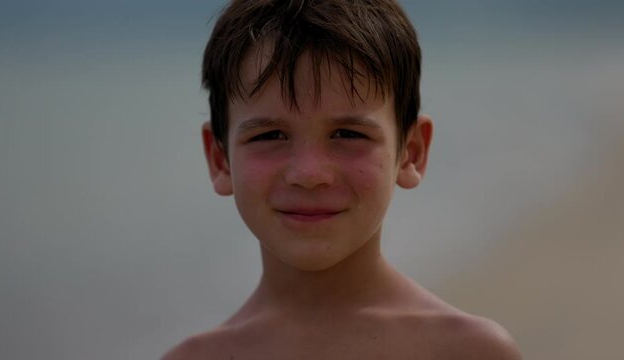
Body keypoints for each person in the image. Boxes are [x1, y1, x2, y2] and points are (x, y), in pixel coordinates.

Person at [164, 0, 522, 359]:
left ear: (411, 152)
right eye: (269, 136)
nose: (309, 174)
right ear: (219, 158)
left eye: (347, 134)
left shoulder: (469, 351)